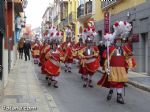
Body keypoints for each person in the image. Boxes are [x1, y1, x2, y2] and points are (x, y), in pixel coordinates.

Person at [97, 21, 136, 104]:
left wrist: (130, 60)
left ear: (122, 42)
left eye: (120, 41)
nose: (119, 42)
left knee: (120, 82)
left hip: (121, 69)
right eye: (117, 41)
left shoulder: (124, 49)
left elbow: (127, 57)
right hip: (113, 69)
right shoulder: (110, 49)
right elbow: (106, 58)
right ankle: (111, 91)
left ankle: (119, 96)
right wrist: (106, 67)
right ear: (115, 42)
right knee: (113, 82)